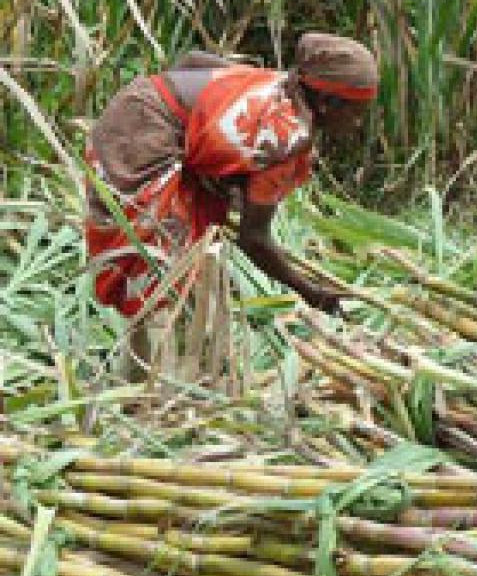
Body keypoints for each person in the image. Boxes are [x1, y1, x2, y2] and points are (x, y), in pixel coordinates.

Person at [85, 32, 377, 344]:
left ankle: (152, 368)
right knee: (164, 272)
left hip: (138, 102)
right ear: (327, 103)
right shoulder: (283, 140)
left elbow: (193, 60)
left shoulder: (280, 85)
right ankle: (160, 371)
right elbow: (254, 239)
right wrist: (310, 292)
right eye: (355, 112)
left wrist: (202, 134)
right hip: (139, 133)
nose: (357, 123)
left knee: (175, 264)